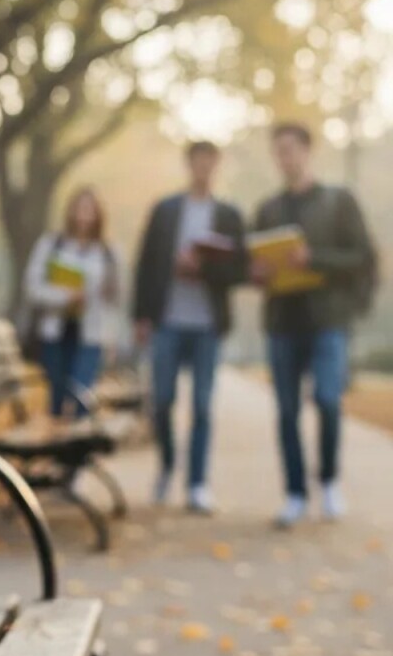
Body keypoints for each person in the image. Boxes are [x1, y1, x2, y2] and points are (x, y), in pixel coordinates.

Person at [254, 122, 376, 528]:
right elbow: (253, 262)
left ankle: (328, 481)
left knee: (327, 399)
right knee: (286, 411)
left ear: (307, 151)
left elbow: (362, 257)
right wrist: (258, 272)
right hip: (282, 321)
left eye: (290, 149)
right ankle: (294, 494)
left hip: (327, 321)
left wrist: (315, 258)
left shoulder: (338, 201)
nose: (285, 158)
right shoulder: (269, 209)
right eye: (278, 151)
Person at [132, 141, 247, 514]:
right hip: (167, 320)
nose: (203, 169)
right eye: (197, 162)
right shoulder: (166, 210)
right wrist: (141, 316)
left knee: (201, 405)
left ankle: (197, 483)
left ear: (216, 166)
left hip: (207, 326)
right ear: (189, 165)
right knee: (162, 401)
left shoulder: (229, 214)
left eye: (209, 163)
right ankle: (167, 466)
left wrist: (204, 269)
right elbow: (146, 263)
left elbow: (239, 270)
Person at [23, 187, 120, 419]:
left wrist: (115, 338)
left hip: (90, 336)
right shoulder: (51, 244)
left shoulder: (107, 252)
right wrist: (66, 296)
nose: (84, 215)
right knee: (56, 398)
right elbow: (32, 287)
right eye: (80, 208)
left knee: (81, 396)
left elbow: (116, 301)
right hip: (56, 332)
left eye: (90, 210)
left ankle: (76, 454)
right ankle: (60, 452)